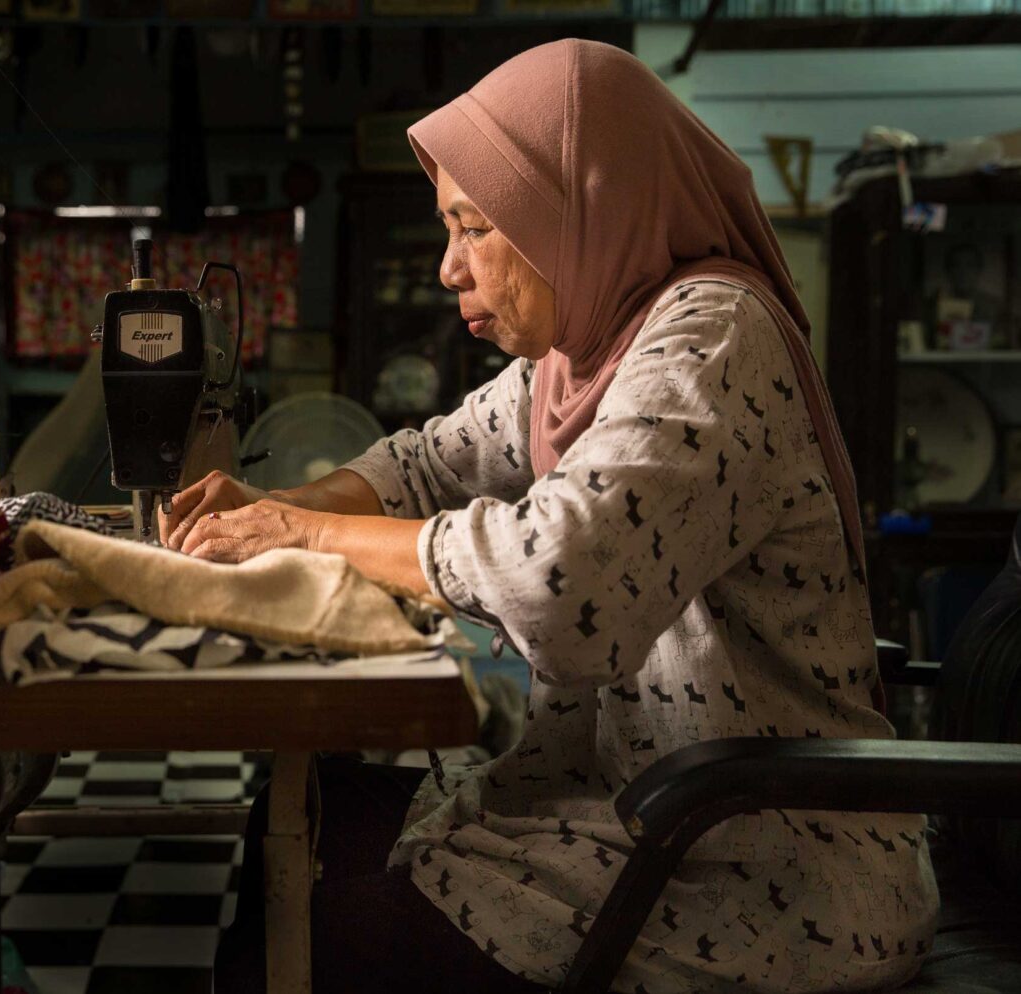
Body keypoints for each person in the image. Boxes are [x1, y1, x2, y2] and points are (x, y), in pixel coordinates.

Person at [173, 39, 938, 994]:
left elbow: (558, 582)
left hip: (763, 861)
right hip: (646, 805)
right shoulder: (575, 360)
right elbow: (424, 464)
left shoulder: (710, 339)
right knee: (298, 816)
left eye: (474, 227)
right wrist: (267, 507)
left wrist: (303, 535)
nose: (451, 268)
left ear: (576, 208)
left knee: (315, 936)